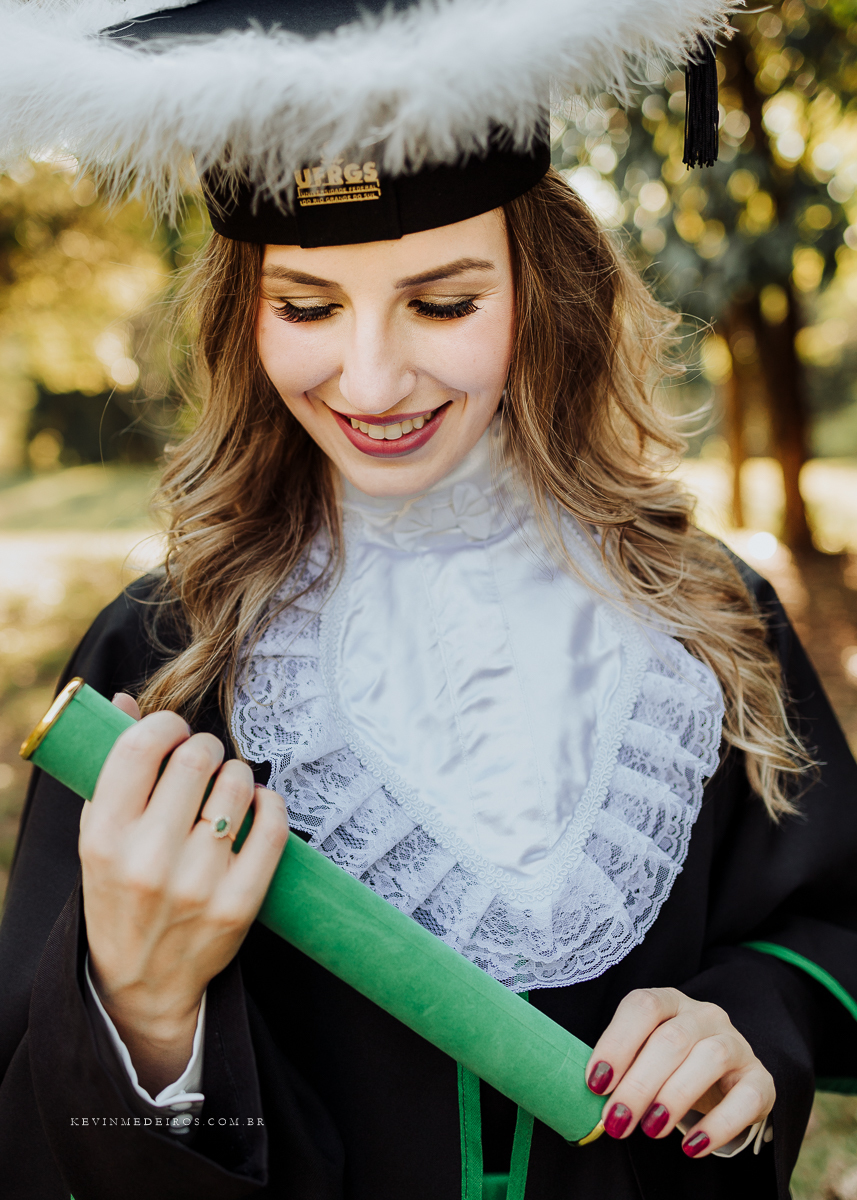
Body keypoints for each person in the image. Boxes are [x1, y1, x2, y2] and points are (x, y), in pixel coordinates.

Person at [1, 0, 857, 1197]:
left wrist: (745, 1022)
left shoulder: (706, 621)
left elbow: (825, 930)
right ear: (245, 320)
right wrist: (142, 1012)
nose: (368, 377)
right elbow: (43, 1140)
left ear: (543, 294)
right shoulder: (160, 663)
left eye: (443, 303)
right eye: (305, 306)